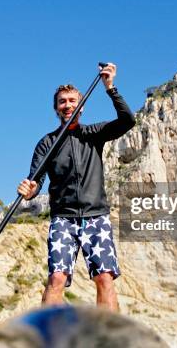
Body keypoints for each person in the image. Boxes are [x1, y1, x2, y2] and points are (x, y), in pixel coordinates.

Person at [17, 63, 135, 312]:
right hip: (63, 219)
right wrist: (29, 190)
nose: (68, 105)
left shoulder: (94, 133)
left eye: (72, 100)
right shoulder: (46, 143)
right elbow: (35, 181)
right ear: (56, 108)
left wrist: (110, 87)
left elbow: (127, 121)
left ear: (81, 105)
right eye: (62, 102)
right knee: (56, 278)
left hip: (96, 217)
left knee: (104, 278)